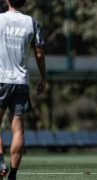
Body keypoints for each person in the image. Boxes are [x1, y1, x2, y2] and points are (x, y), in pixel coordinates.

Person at [0, 0, 46, 179]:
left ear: (6, 0)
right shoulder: (32, 23)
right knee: (18, 129)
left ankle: (0, 162)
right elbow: (40, 54)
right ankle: (13, 175)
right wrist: (43, 77)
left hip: (1, 79)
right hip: (21, 81)